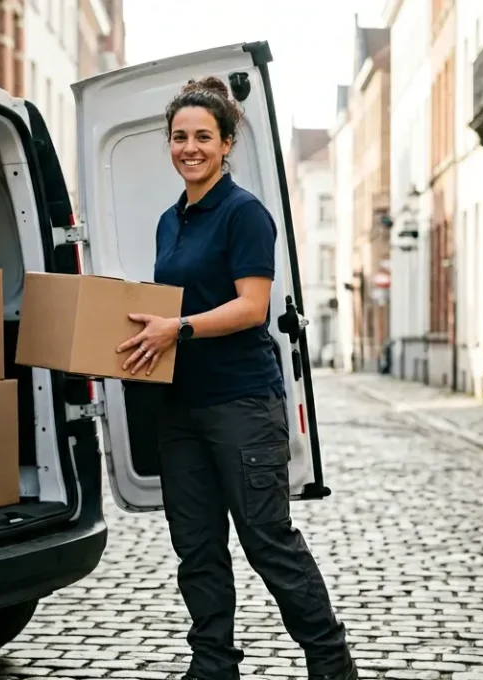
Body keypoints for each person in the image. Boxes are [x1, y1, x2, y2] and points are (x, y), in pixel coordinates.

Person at [116, 77, 357, 680]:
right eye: (179, 137)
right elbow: (173, 302)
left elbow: (253, 306)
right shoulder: (170, 222)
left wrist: (179, 329)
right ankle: (213, 664)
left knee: (267, 540)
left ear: (226, 144)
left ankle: (331, 663)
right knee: (196, 547)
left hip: (242, 403)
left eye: (203, 136)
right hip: (181, 407)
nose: (189, 147)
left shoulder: (245, 213)